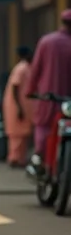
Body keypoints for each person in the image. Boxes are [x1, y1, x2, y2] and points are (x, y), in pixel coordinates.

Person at [27, 9, 71, 159]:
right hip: (68, 99)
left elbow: (35, 69)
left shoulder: (47, 41)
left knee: (43, 127)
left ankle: (40, 158)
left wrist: (30, 90)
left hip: (48, 96)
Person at [3, 47, 34, 167]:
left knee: (22, 135)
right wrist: (19, 107)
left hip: (22, 106)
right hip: (17, 106)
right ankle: (15, 159)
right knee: (17, 135)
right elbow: (15, 87)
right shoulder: (21, 68)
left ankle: (20, 159)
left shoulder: (26, 67)